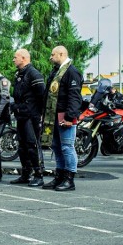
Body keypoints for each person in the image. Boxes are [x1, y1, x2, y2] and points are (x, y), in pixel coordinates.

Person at [41, 46, 83, 191]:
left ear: (61, 54)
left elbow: (75, 97)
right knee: (57, 147)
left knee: (67, 147)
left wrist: (70, 117)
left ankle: (69, 179)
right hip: (53, 116)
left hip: (65, 116)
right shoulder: (56, 71)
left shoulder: (72, 72)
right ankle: (59, 176)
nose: (50, 57)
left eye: (53, 55)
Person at [10, 49, 46, 187]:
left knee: (32, 145)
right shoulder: (19, 74)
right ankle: (26, 174)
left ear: (23, 58)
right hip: (21, 115)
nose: (13, 60)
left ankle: (39, 175)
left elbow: (41, 96)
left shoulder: (33, 74)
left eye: (15, 57)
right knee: (22, 147)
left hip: (31, 116)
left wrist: (38, 114)